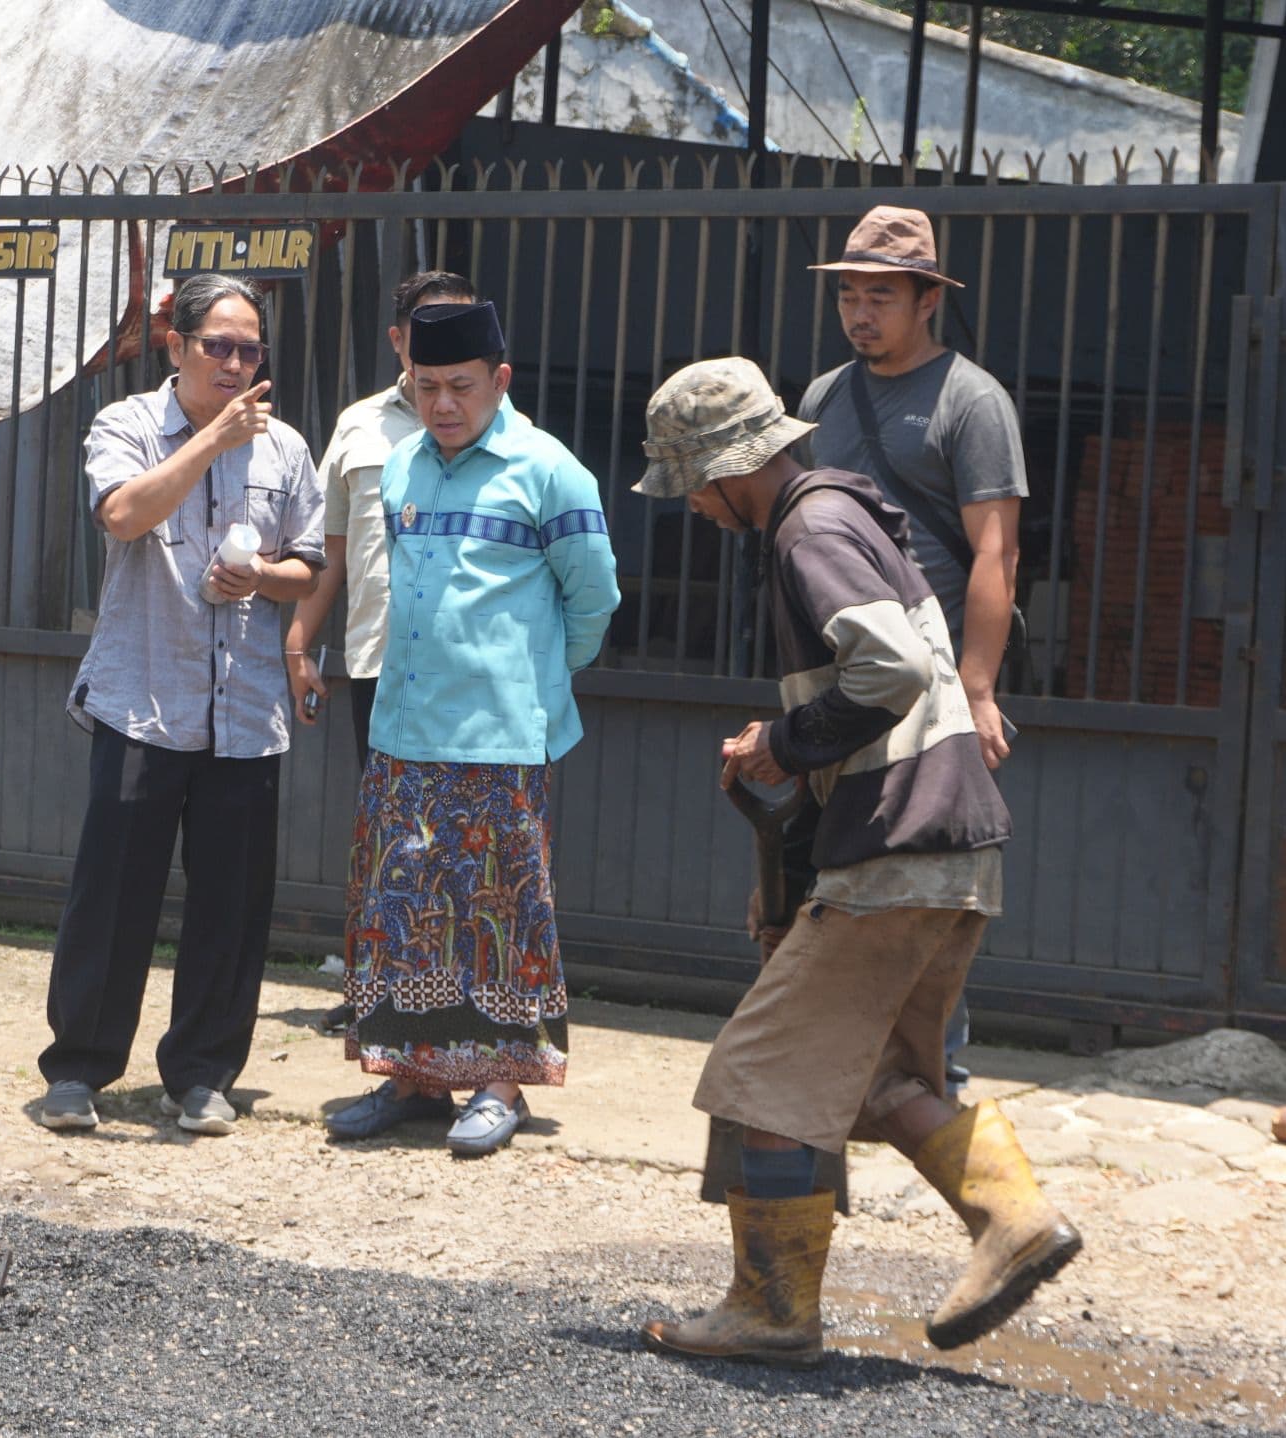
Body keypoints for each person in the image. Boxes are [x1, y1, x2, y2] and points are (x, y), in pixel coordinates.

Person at [630, 357, 1078, 1367]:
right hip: (948, 848)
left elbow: (890, 668)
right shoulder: (852, 517)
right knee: (872, 1077)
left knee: (759, 1078)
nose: (694, 508)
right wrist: (789, 827)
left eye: (691, 487)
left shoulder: (808, 526)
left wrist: (783, 744)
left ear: (725, 467)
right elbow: (882, 692)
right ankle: (1013, 1220)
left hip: (898, 851)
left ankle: (772, 1309)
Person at [324, 298, 620, 1156]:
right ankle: (411, 1079)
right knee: (403, 904)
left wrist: (531, 681)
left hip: (500, 736)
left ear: (501, 381)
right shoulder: (403, 467)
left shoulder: (550, 471)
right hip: (402, 728)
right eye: (425, 386)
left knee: (499, 910)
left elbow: (593, 599)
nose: (443, 404)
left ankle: (498, 1085)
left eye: (460, 386)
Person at [34, 273, 325, 1138]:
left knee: (231, 903)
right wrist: (210, 442)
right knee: (115, 891)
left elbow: (309, 566)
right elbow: (123, 515)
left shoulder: (286, 450)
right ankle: (77, 1071)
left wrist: (264, 577)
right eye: (219, 347)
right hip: (144, 698)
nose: (236, 364)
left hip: (245, 710)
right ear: (178, 346)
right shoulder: (126, 425)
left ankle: (201, 1074)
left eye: (250, 349)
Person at [796, 203, 1028, 1098]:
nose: (860, 314)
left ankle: (936, 1072)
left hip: (931, 679)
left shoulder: (972, 402)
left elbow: (996, 555)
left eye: (881, 297)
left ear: (927, 299)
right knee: (832, 859)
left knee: (931, 868)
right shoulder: (822, 398)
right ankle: (842, 1060)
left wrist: (976, 691)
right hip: (843, 667)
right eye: (849, 296)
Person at [286, 269, 481, 1035]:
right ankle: (381, 991)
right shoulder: (359, 425)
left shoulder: (497, 426)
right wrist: (301, 644)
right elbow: (333, 552)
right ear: (398, 339)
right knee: (388, 837)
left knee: (463, 840)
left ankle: (459, 996)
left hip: (463, 673)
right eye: (427, 327)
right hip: (374, 660)